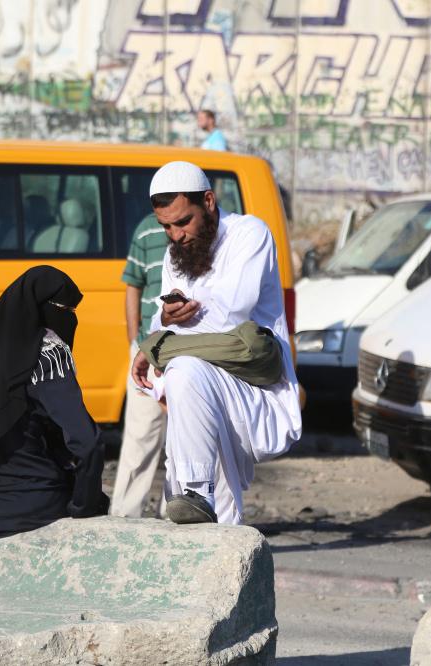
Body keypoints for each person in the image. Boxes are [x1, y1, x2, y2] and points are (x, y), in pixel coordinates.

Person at [131, 161, 302, 525]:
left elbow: (230, 316)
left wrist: (160, 344)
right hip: (199, 387)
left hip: (252, 387)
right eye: (166, 227)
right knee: (216, 513)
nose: (176, 235)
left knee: (184, 370)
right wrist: (165, 324)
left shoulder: (249, 234)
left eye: (183, 222)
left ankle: (193, 490)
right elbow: (159, 321)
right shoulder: (174, 255)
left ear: (208, 201)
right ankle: (196, 503)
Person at [0, 266, 109, 539]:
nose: (70, 318)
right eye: (66, 309)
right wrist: (84, 506)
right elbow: (88, 443)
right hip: (29, 503)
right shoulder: (47, 353)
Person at [110, 213, 168, 518]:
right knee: (139, 438)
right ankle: (124, 519)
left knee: (187, 443)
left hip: (192, 353)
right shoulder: (146, 228)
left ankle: (177, 519)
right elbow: (133, 283)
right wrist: (136, 341)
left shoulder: (213, 229)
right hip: (148, 350)